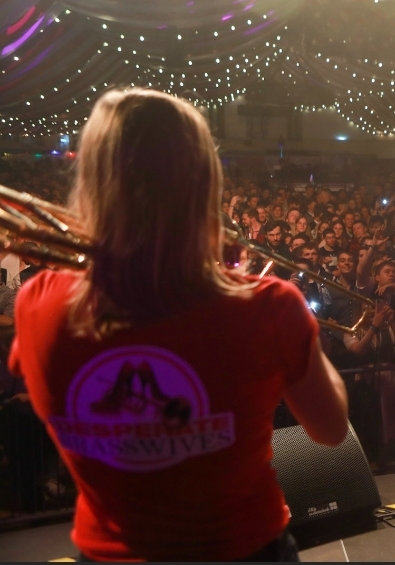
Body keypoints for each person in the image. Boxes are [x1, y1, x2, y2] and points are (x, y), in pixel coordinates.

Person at [7, 89, 348, 561]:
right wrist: (300, 332)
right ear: (204, 182)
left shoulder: (36, 303)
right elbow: (331, 428)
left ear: (92, 179)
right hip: (244, 550)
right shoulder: (270, 307)